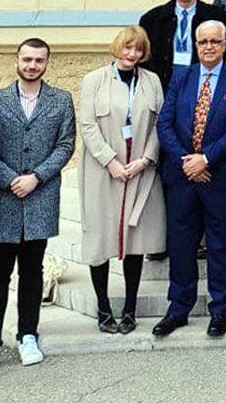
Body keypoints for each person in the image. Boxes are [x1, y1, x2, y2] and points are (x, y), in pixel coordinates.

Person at [0, 39, 75, 376]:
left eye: (39, 60)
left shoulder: (61, 100)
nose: (32, 65)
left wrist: (36, 177)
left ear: (47, 62)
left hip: (40, 195)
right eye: (27, 59)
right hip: (3, 197)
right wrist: (9, 178)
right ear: (16, 60)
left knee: (32, 272)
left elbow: (66, 144)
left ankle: (28, 334)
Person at [152, 20, 226, 339]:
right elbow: (164, 123)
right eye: (203, 42)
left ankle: (220, 308)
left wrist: (206, 158)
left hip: (218, 177)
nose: (209, 46)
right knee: (181, 245)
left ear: (225, 44)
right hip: (181, 177)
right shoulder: (180, 78)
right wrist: (187, 160)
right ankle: (178, 308)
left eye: (215, 41)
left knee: (221, 245)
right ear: (196, 45)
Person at [78, 26, 166, 337]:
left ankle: (129, 309)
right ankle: (104, 308)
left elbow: (160, 124)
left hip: (140, 168)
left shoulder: (151, 81)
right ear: (118, 48)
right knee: (101, 237)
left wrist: (146, 159)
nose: (132, 54)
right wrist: (110, 161)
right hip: (104, 171)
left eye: (138, 50)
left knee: (135, 241)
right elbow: (87, 125)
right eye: (128, 48)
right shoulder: (94, 80)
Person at [138, 0, 226, 92]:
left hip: (205, 86)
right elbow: (143, 58)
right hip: (162, 86)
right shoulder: (152, 19)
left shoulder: (217, 17)